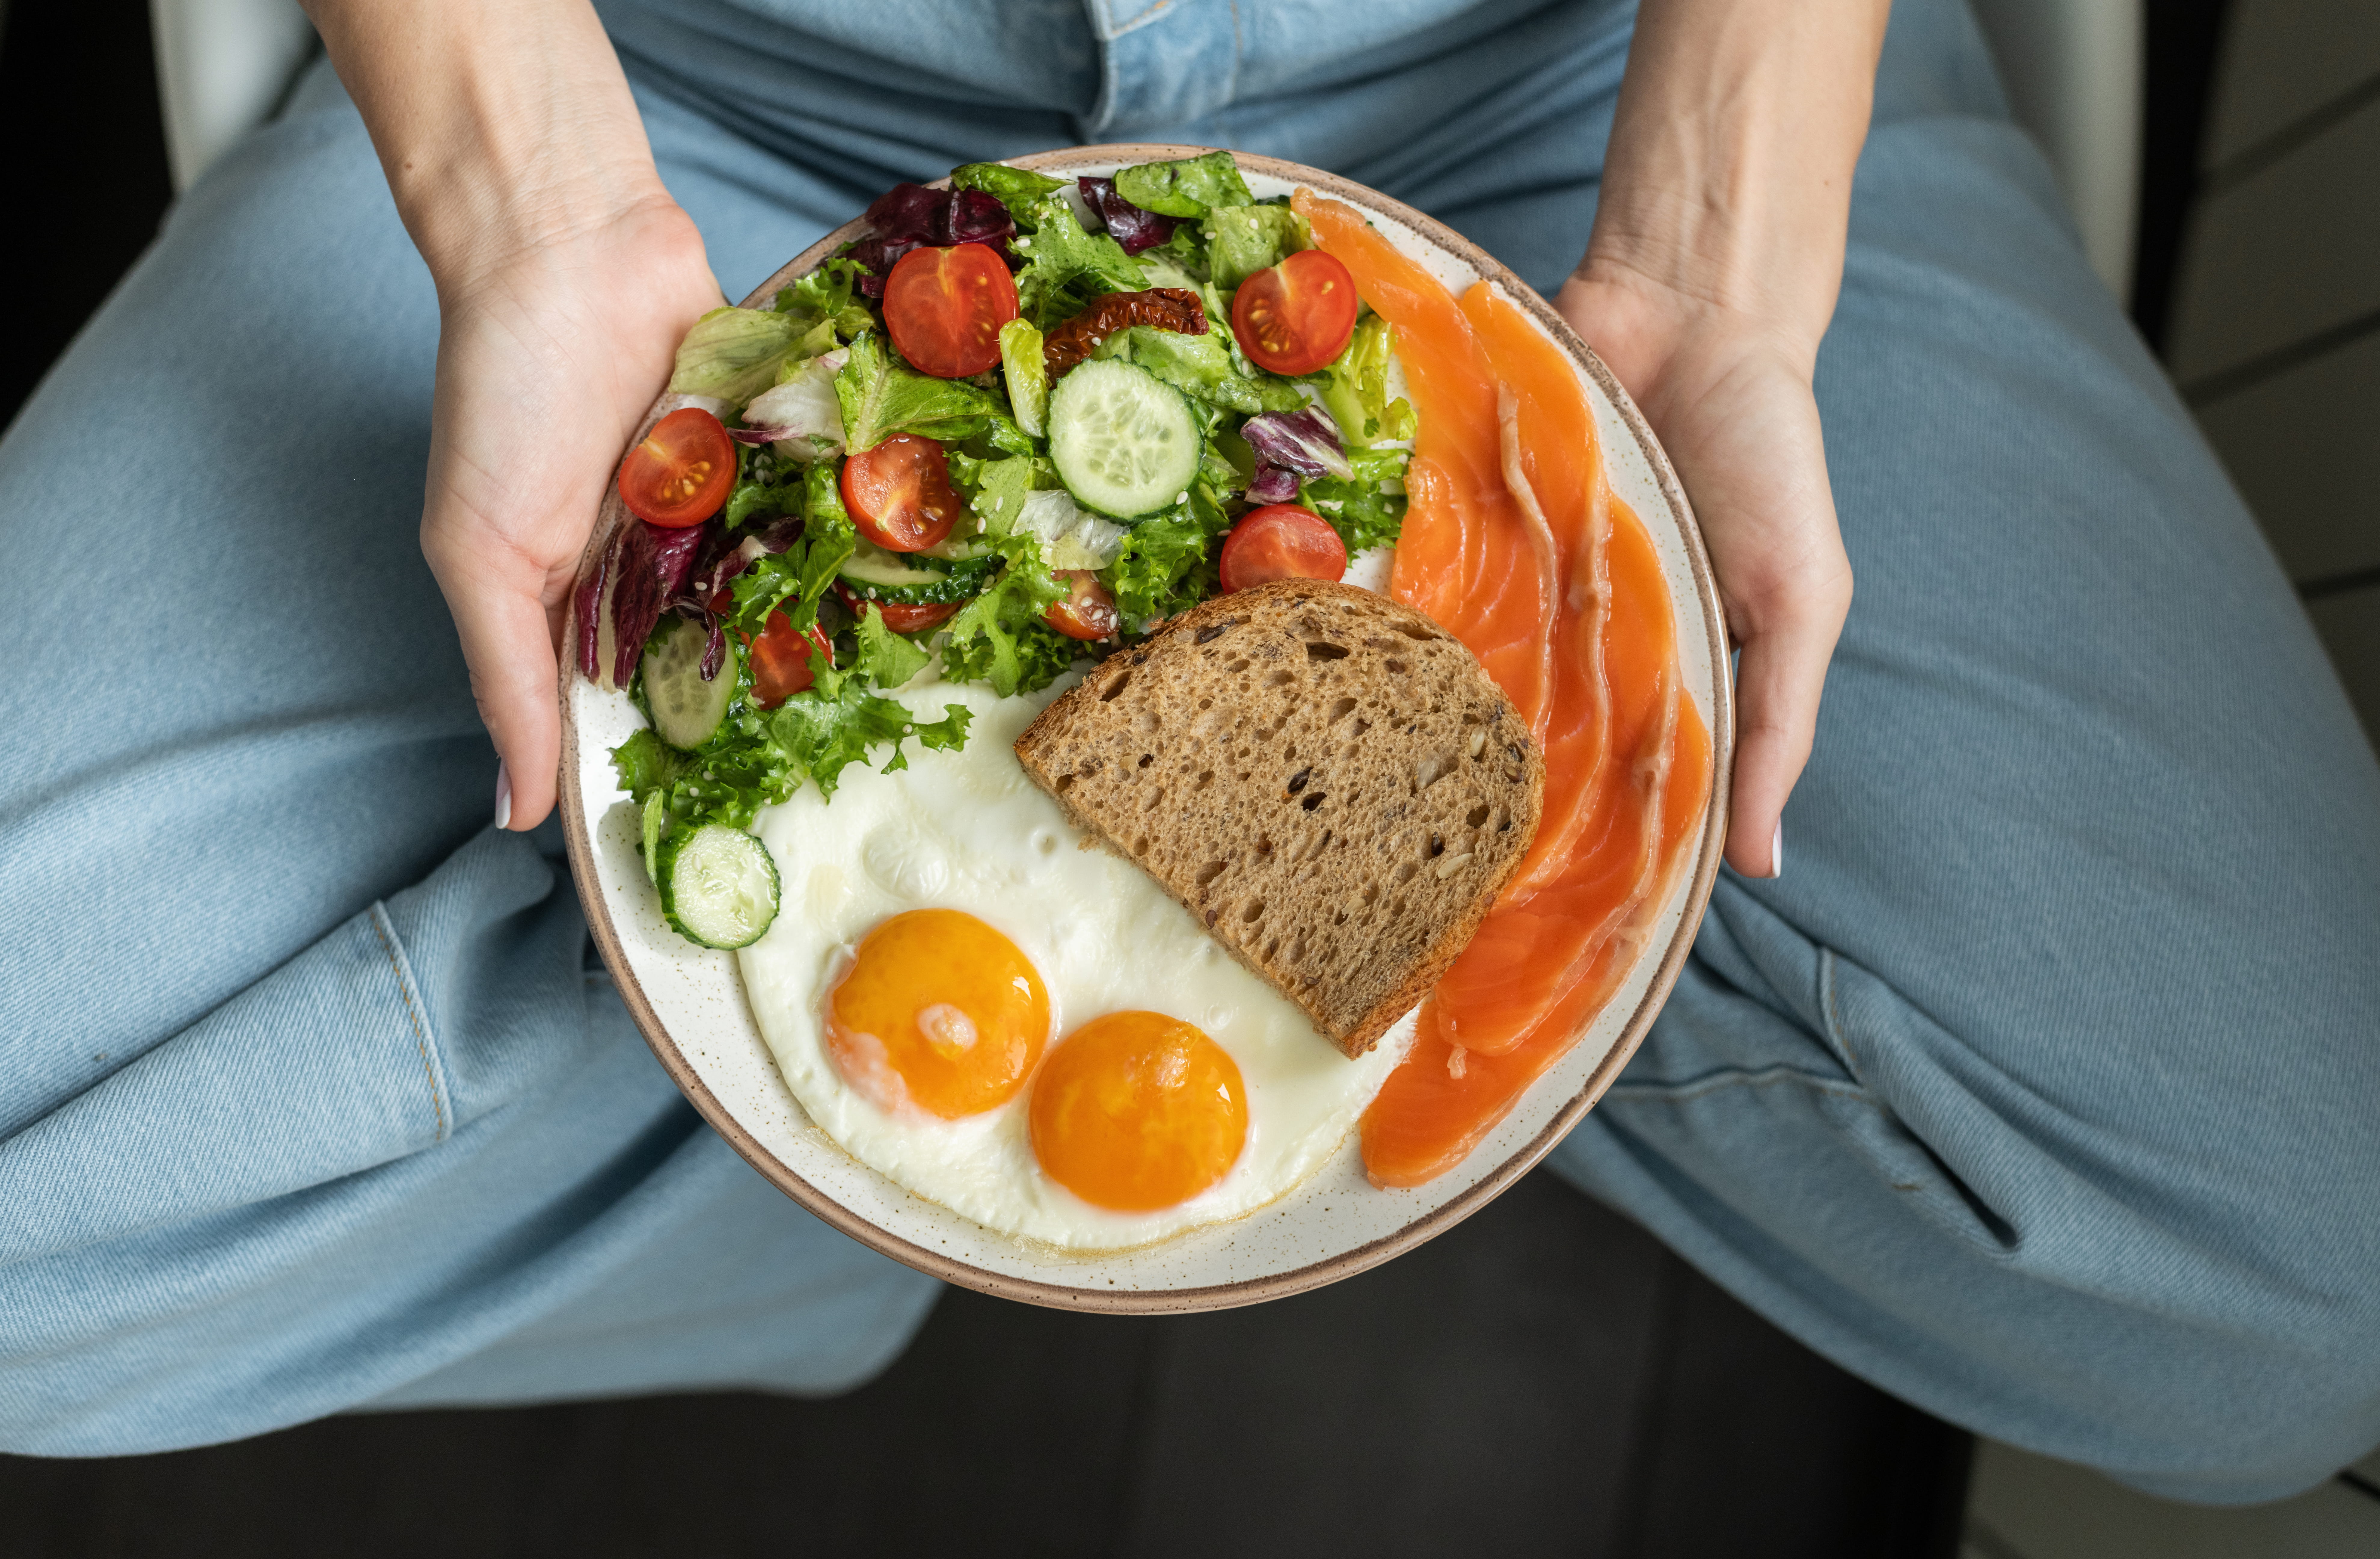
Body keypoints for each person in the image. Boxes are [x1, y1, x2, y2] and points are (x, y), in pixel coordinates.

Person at [2, 0, 2374, 1502]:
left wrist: (1728, 251)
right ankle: (835, 1185)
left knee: (2298, 1303)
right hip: (673, 79)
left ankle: (1210, 1100)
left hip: (1591, 80)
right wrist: (524, 200)